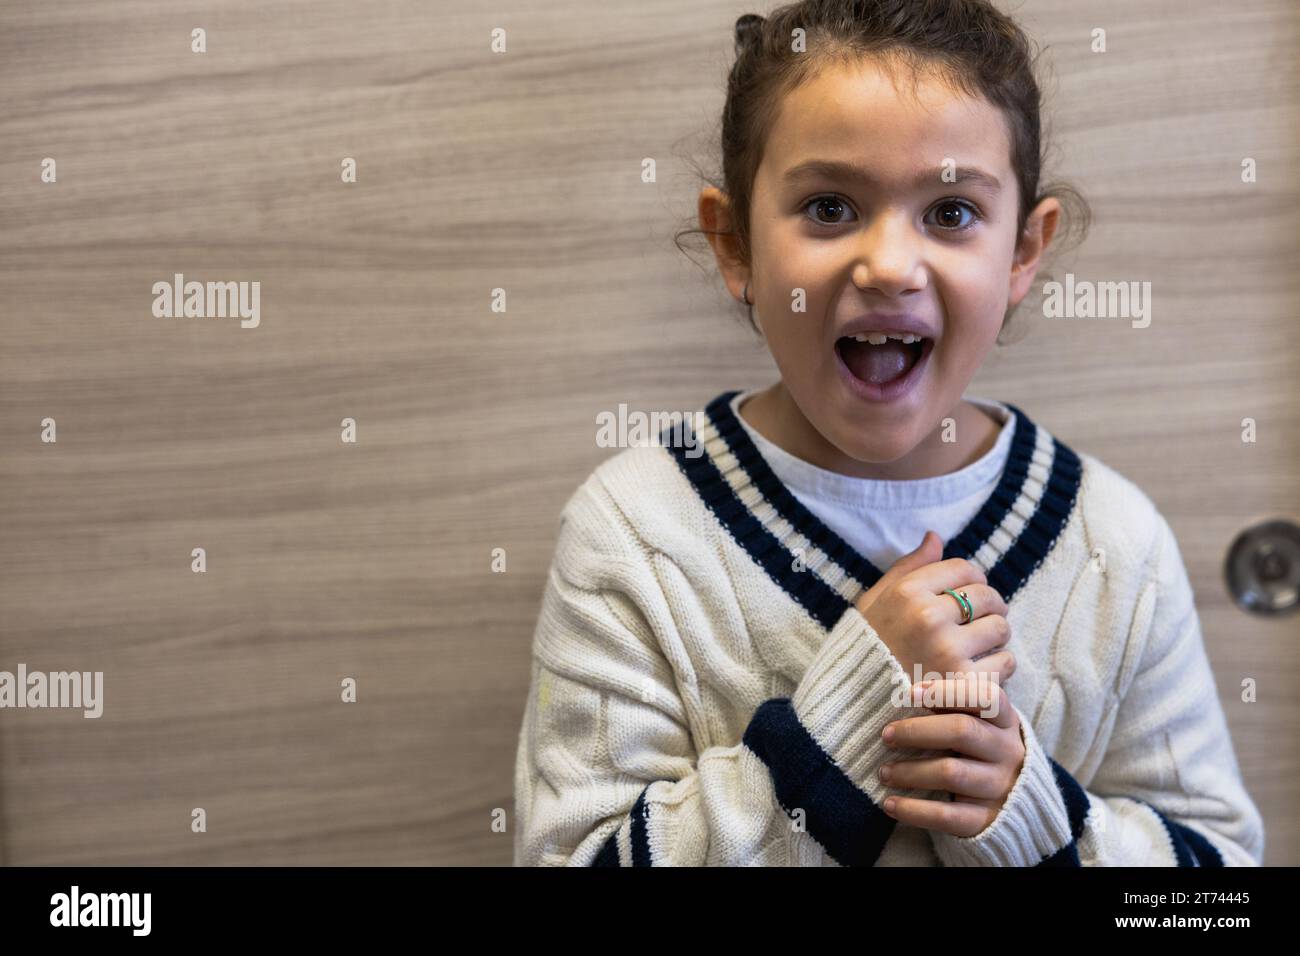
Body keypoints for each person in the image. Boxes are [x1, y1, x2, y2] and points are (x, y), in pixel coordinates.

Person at [511, 0, 1265, 866]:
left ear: (1024, 249)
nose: (891, 267)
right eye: (830, 206)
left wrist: (1031, 816)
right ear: (736, 246)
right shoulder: (632, 533)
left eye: (950, 214)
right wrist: (840, 735)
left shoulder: (1115, 544)